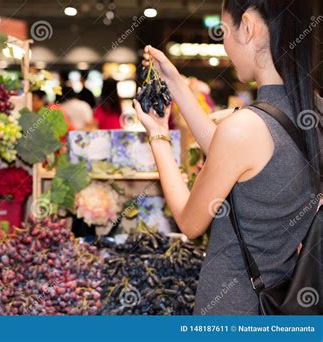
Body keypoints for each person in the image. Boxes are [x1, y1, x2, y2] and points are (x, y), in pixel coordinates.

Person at [134, 0, 319, 315]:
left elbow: (190, 222)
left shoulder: (244, 128)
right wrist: (176, 83)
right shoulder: (312, 111)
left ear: (247, 27)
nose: (225, 44)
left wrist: (158, 136)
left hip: (232, 307)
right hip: (284, 302)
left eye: (224, 30)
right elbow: (234, 155)